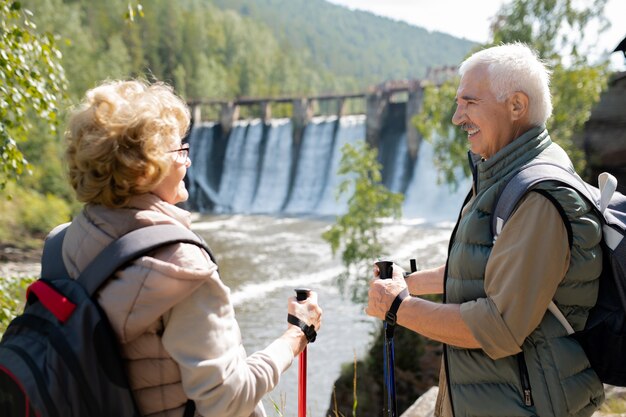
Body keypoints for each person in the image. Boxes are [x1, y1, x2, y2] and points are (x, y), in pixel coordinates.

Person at [365, 43, 605, 417]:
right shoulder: (507, 174)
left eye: (469, 102)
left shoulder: (539, 197)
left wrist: (399, 308)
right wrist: (409, 284)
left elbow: (500, 326)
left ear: (516, 106)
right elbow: (488, 271)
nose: (457, 117)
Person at [61, 79, 322, 417]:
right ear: (145, 169)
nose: (188, 161)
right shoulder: (181, 266)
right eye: (179, 151)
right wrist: (296, 335)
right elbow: (227, 400)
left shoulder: (70, 238)